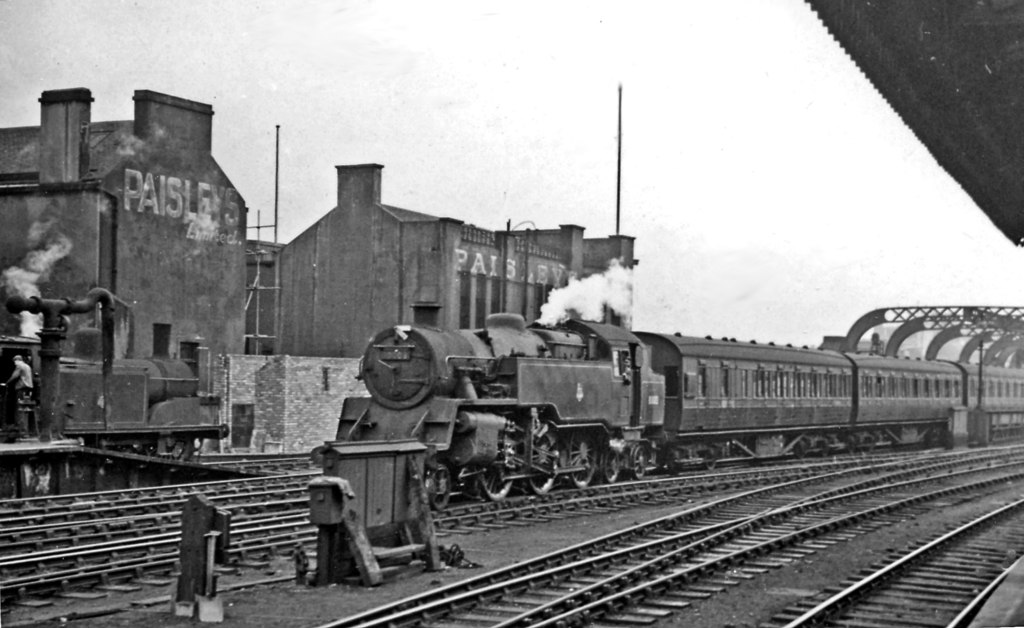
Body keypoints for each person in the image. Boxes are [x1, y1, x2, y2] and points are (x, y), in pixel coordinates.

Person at [5, 355, 34, 433]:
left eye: (15, 361)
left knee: (19, 408)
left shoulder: (19, 366)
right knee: (25, 408)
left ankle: (20, 429)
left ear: (17, 360)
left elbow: (14, 376)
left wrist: (7, 383)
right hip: (29, 389)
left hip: (21, 389)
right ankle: (25, 428)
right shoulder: (27, 366)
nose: (14, 363)